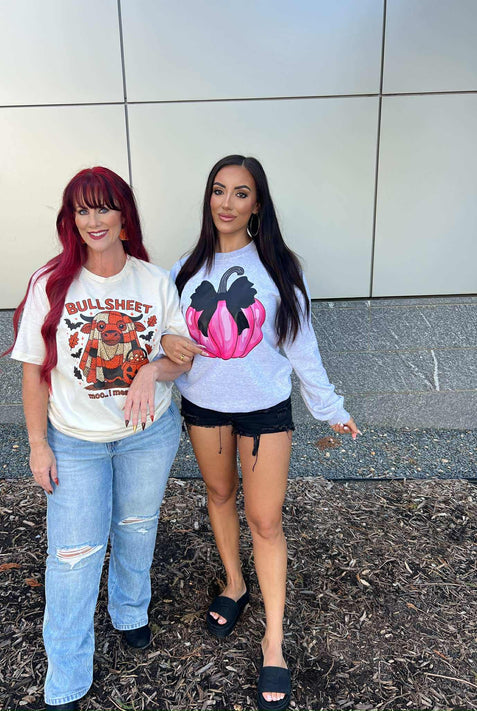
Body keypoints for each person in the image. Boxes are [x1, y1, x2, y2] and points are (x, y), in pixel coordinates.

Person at [162, 155, 360, 710]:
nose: (226, 203)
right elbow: (166, 336)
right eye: (218, 190)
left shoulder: (278, 268)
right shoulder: (184, 270)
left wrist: (329, 406)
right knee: (219, 494)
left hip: (264, 412)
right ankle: (234, 583)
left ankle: (274, 641)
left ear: (257, 204)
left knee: (266, 520)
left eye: (240, 193)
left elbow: (301, 343)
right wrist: (165, 345)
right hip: (204, 408)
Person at [5, 166, 190, 710]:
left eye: (103, 207)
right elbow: (33, 372)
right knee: (73, 555)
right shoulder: (50, 283)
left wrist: (152, 369)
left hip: (147, 435)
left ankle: (130, 611)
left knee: (136, 528)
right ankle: (66, 676)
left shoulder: (154, 281)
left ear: (123, 214)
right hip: (75, 442)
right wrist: (38, 444)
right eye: (82, 209)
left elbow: (182, 355)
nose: (94, 220)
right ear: (71, 219)